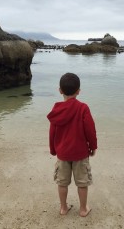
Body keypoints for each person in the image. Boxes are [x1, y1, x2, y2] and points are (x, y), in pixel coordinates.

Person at [47, 72, 97, 217]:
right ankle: (83, 209)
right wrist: (93, 146)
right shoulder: (83, 108)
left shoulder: (56, 110)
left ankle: (63, 208)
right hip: (80, 153)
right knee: (82, 182)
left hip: (62, 153)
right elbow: (90, 130)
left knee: (62, 182)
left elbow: (52, 132)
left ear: (60, 90)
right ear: (78, 91)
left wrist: (53, 149)